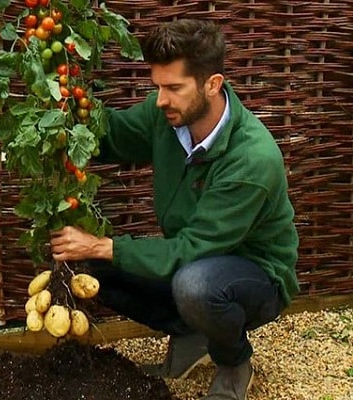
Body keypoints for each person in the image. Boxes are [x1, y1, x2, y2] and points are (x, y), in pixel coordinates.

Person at [49, 19, 300, 400]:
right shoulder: (167, 116)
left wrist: (102, 245)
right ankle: (193, 333)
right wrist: (57, 111)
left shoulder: (251, 160)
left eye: (173, 88)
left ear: (212, 84)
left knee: (195, 285)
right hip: (197, 257)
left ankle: (234, 362)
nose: (161, 98)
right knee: (92, 269)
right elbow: (112, 137)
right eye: (157, 87)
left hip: (256, 275)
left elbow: (194, 249)